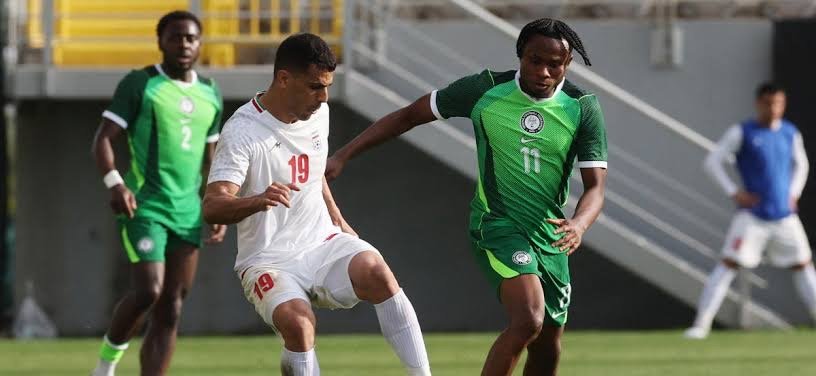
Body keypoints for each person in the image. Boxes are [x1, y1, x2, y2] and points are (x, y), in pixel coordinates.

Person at [326, 18, 607, 376]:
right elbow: (409, 116)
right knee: (529, 318)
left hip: (552, 237)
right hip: (498, 226)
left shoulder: (582, 107)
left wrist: (580, 225)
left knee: (548, 342)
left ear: (567, 65)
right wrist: (342, 156)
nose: (544, 71)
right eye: (535, 60)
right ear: (520, 55)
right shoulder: (485, 89)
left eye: (555, 64)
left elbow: (596, 186)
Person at [202, 33, 431, 375]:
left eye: (326, 87)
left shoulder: (317, 115)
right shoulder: (242, 132)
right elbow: (213, 205)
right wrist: (257, 200)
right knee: (299, 325)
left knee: (376, 271)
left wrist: (337, 218)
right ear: (283, 79)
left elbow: (312, 171)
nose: (323, 98)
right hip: (268, 259)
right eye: (314, 87)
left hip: (321, 242)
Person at [90, 10, 226, 376]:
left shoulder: (211, 93)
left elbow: (210, 157)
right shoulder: (140, 84)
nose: (184, 44)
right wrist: (115, 183)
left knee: (172, 307)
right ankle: (104, 366)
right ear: (161, 42)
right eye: (176, 37)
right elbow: (102, 139)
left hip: (188, 212)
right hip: (145, 206)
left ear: (199, 44)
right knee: (149, 291)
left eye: (191, 38)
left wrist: (217, 204)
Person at [685, 83, 816, 339]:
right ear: (759, 103)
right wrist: (734, 193)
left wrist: (794, 194)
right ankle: (701, 325)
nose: (774, 108)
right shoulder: (742, 132)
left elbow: (802, 165)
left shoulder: (790, 133)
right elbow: (713, 161)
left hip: (785, 217)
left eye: (778, 103)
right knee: (728, 264)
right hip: (752, 217)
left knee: (803, 265)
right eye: (769, 103)